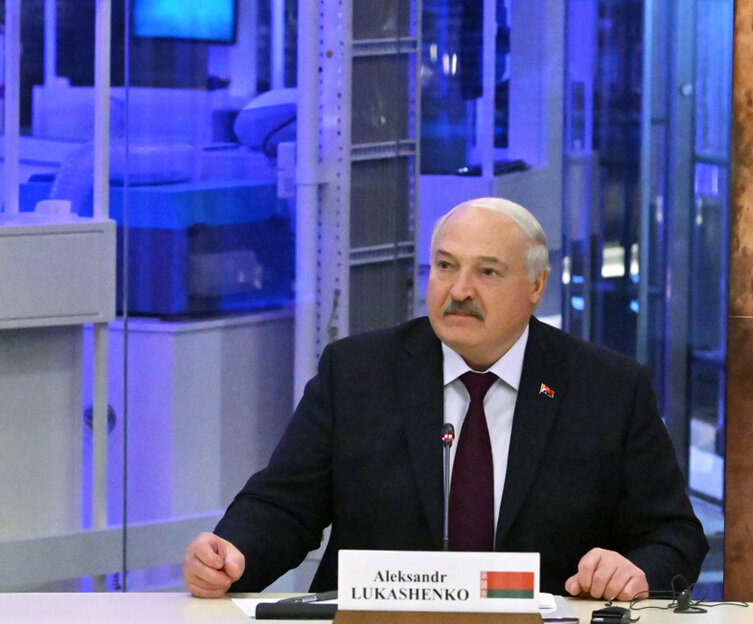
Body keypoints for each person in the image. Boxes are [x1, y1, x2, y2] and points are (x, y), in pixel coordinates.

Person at [183, 197, 706, 601]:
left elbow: (672, 534)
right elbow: (284, 505)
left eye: (487, 272)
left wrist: (636, 571)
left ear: (536, 286)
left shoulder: (607, 388)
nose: (459, 291)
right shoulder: (358, 372)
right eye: (445, 266)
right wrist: (231, 555)